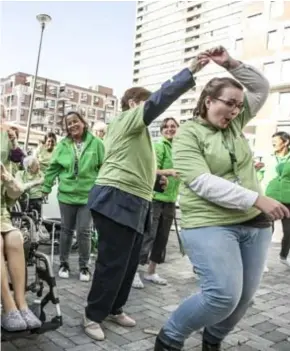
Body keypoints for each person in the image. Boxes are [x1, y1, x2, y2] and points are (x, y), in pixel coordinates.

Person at [154, 46, 290, 351]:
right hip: (209, 222)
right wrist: (257, 198)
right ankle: (170, 338)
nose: (234, 111)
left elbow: (261, 87)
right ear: (207, 101)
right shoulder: (188, 134)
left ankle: (212, 341)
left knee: (243, 298)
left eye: (238, 106)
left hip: (254, 225)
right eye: (228, 103)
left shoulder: (236, 124)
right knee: (222, 295)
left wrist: (230, 63)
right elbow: (202, 182)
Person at [83, 55, 208, 342]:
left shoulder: (138, 134)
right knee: (112, 262)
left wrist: (155, 177)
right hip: (115, 198)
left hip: (137, 200)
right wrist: (190, 71)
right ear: (132, 103)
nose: (152, 108)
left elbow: (130, 162)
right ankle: (92, 314)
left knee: (129, 263)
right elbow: (158, 100)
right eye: (145, 102)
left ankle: (115, 308)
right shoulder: (127, 119)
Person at [42, 112, 104, 282]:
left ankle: (84, 267)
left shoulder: (97, 143)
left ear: (83, 122)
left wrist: (101, 190)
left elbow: (103, 168)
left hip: (87, 196)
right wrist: (46, 187)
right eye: (69, 123)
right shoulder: (62, 145)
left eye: (75, 121)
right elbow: (53, 168)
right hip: (66, 196)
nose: (72, 125)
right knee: (66, 231)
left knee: (84, 231)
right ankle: (64, 264)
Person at [133, 117, 180, 288]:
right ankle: (134, 273)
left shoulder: (178, 148)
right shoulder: (159, 146)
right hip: (155, 198)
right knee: (148, 236)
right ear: (161, 130)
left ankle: (151, 272)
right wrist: (169, 172)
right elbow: (151, 170)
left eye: (173, 126)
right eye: (166, 127)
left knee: (162, 238)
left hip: (170, 199)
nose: (169, 129)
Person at [260, 131, 290, 267]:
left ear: (286, 142)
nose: (272, 144)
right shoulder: (268, 158)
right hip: (269, 198)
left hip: (288, 199)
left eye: (275, 141)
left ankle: (284, 256)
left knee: (289, 232)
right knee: (267, 231)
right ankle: (263, 260)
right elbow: (259, 176)